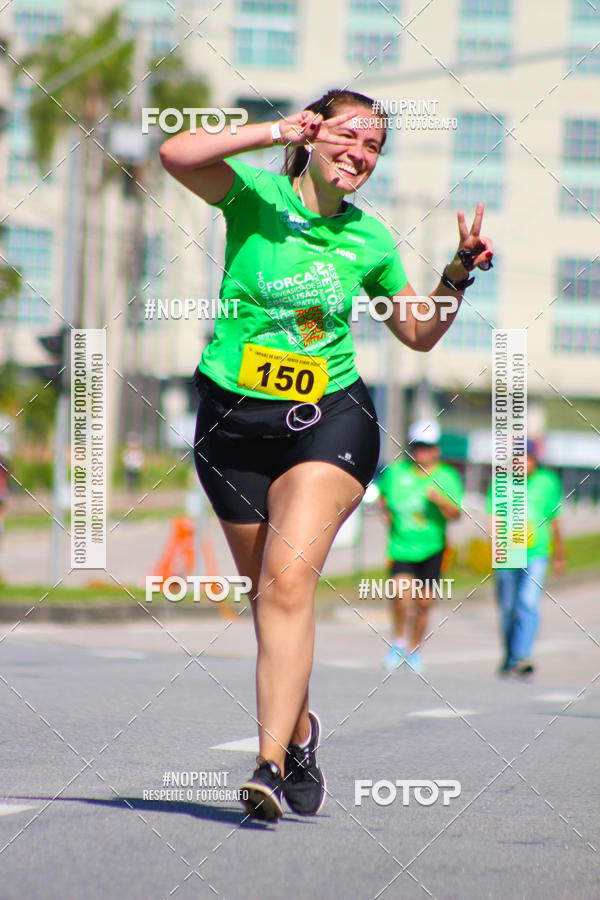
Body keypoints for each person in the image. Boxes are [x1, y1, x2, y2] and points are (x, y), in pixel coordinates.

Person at [160, 88, 494, 822]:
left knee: (287, 584)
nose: (361, 155)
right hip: (231, 424)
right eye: (349, 136)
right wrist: (273, 129)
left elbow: (417, 331)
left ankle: (268, 767)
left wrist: (456, 274)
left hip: (328, 419)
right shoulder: (253, 195)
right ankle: (302, 732)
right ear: (312, 135)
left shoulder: (369, 240)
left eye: (374, 147)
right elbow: (175, 153)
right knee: (268, 600)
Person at [377, 421, 464, 674]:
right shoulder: (396, 472)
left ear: (436, 449)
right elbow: (383, 495)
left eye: (426, 447)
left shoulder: (447, 476)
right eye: (416, 447)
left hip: (433, 547)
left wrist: (440, 501)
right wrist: (386, 513)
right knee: (400, 595)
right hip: (401, 546)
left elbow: (456, 514)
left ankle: (414, 650)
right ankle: (398, 642)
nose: (421, 452)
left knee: (423, 603)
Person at [489, 439, 565, 678]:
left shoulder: (548, 482)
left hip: (537, 553)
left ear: (535, 460)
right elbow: (494, 518)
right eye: (519, 458)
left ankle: (522, 656)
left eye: (528, 458)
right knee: (508, 608)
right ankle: (510, 654)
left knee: (528, 603)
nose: (523, 463)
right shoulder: (502, 482)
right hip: (508, 552)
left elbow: (555, 519)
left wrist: (559, 555)